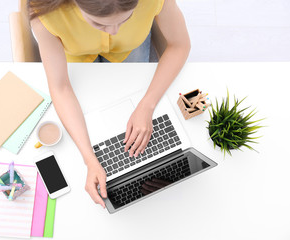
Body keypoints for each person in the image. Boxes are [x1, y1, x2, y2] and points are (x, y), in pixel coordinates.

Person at [29, 0, 190, 208]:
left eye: (127, 18)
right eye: (99, 24)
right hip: (75, 54)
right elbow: (60, 88)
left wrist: (147, 105)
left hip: (129, 48)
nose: (114, 32)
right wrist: (90, 159)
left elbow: (180, 45)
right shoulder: (46, 15)